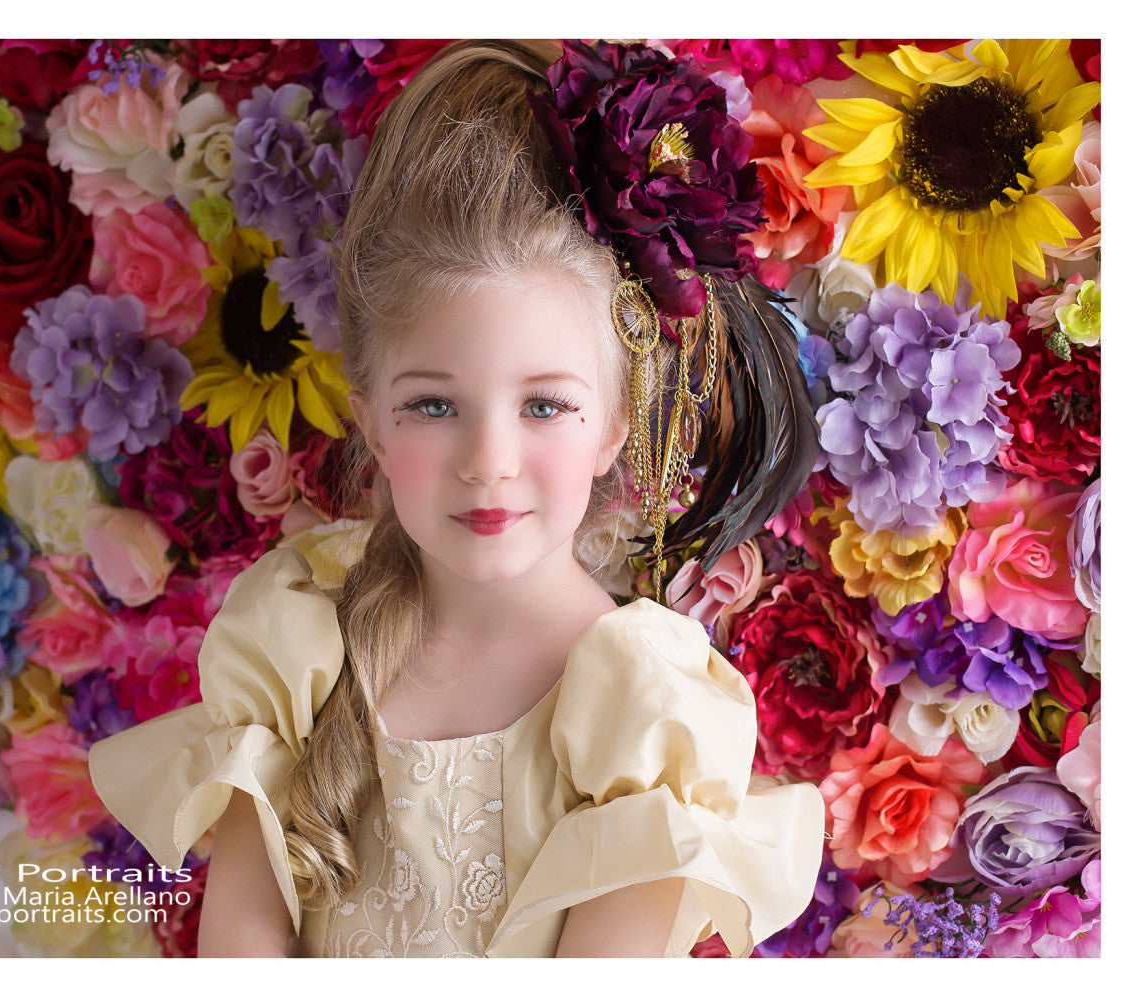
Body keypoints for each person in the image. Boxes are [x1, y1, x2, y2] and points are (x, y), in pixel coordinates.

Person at [90, 38, 825, 958]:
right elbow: (241, 936)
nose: (489, 461)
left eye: (545, 404)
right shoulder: (299, 641)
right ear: (372, 420)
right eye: (434, 404)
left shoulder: (644, 713)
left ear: (612, 426)